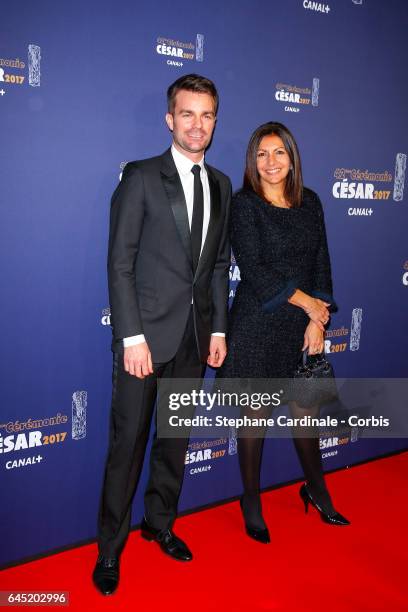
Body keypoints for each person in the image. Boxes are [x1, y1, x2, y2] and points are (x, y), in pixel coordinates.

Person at [93, 74, 231, 595]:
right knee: (127, 446)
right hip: (143, 345)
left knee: (174, 444)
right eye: (188, 114)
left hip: (194, 341)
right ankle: (110, 548)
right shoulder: (142, 177)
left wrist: (218, 326)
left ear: (216, 121)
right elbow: (120, 263)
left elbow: (218, 265)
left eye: (207, 115)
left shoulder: (219, 184)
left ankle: (160, 522)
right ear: (170, 119)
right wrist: (131, 337)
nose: (198, 125)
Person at [218, 121, 350, 544]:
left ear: (292, 157)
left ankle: (316, 487)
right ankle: (251, 499)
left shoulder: (310, 202)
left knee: (304, 412)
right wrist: (308, 304)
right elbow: (255, 271)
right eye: (262, 154)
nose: (271, 162)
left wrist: (317, 318)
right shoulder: (244, 205)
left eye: (279, 153)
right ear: (252, 162)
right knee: (254, 416)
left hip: (302, 327)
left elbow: (321, 263)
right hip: (258, 325)